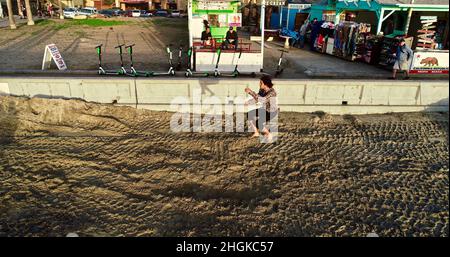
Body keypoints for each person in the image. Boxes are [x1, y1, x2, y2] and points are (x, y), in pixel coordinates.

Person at [245, 75, 278, 142]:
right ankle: (256, 133)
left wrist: (251, 92)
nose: (259, 84)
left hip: (271, 112)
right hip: (264, 109)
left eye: (261, 83)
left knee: (258, 122)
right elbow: (257, 99)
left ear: (265, 84)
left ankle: (268, 134)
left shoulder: (272, 93)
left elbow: (262, 100)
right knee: (249, 114)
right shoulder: (262, 90)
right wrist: (249, 102)